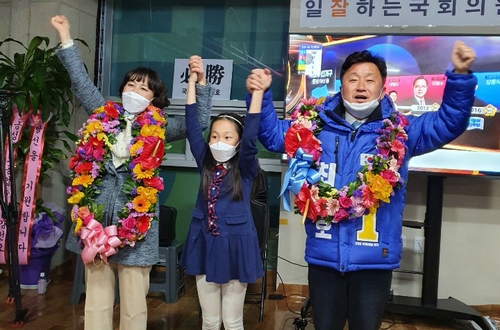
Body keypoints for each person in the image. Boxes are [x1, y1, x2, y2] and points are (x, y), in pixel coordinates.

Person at [247, 41, 476, 330]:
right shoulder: (311, 126)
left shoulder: (402, 131)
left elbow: (448, 122)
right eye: (353, 79)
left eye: (370, 80)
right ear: (340, 85)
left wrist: (460, 76)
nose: (361, 86)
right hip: (324, 257)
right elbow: (269, 134)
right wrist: (261, 94)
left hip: (373, 262)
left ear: (382, 88)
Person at [51, 15, 214, 330]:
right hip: (95, 221)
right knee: (97, 300)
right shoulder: (103, 113)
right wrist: (66, 35)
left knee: (134, 302)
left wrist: (201, 83)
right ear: (122, 88)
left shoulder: (162, 126)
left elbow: (200, 122)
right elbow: (81, 82)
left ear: (154, 99)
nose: (136, 92)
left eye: (144, 89)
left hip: (136, 225)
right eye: (131, 85)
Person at [179, 65, 265, 329]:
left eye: (227, 137)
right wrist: (193, 83)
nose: (219, 141)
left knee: (232, 320)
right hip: (203, 243)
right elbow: (193, 129)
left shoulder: (246, 168)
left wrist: (258, 94)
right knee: (210, 320)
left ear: (237, 143)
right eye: (215, 136)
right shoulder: (205, 162)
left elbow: (251, 138)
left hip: (236, 245)